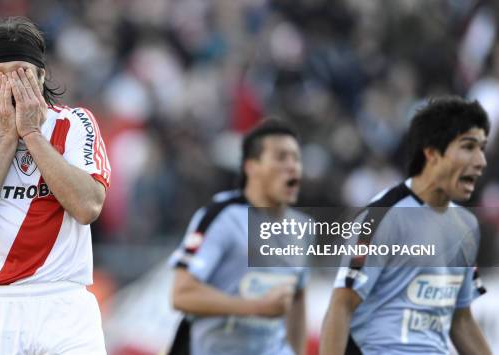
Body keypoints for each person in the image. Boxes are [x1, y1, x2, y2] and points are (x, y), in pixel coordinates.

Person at [0, 17, 110, 355]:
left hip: (64, 300)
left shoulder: (76, 123)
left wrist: (31, 134)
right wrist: (7, 139)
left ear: (42, 75)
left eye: (21, 73)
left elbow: (89, 206)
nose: (10, 85)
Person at [319, 97, 492, 355]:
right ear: (432, 152)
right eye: (468, 147)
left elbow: (461, 320)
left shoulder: (465, 226)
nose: (481, 161)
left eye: (482, 148)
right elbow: (340, 306)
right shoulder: (383, 215)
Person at [168, 119, 309, 355]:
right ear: (251, 166)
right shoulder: (221, 217)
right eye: (281, 157)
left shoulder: (303, 227)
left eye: (296, 158)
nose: (292, 166)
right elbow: (182, 294)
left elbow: (297, 300)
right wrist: (256, 307)